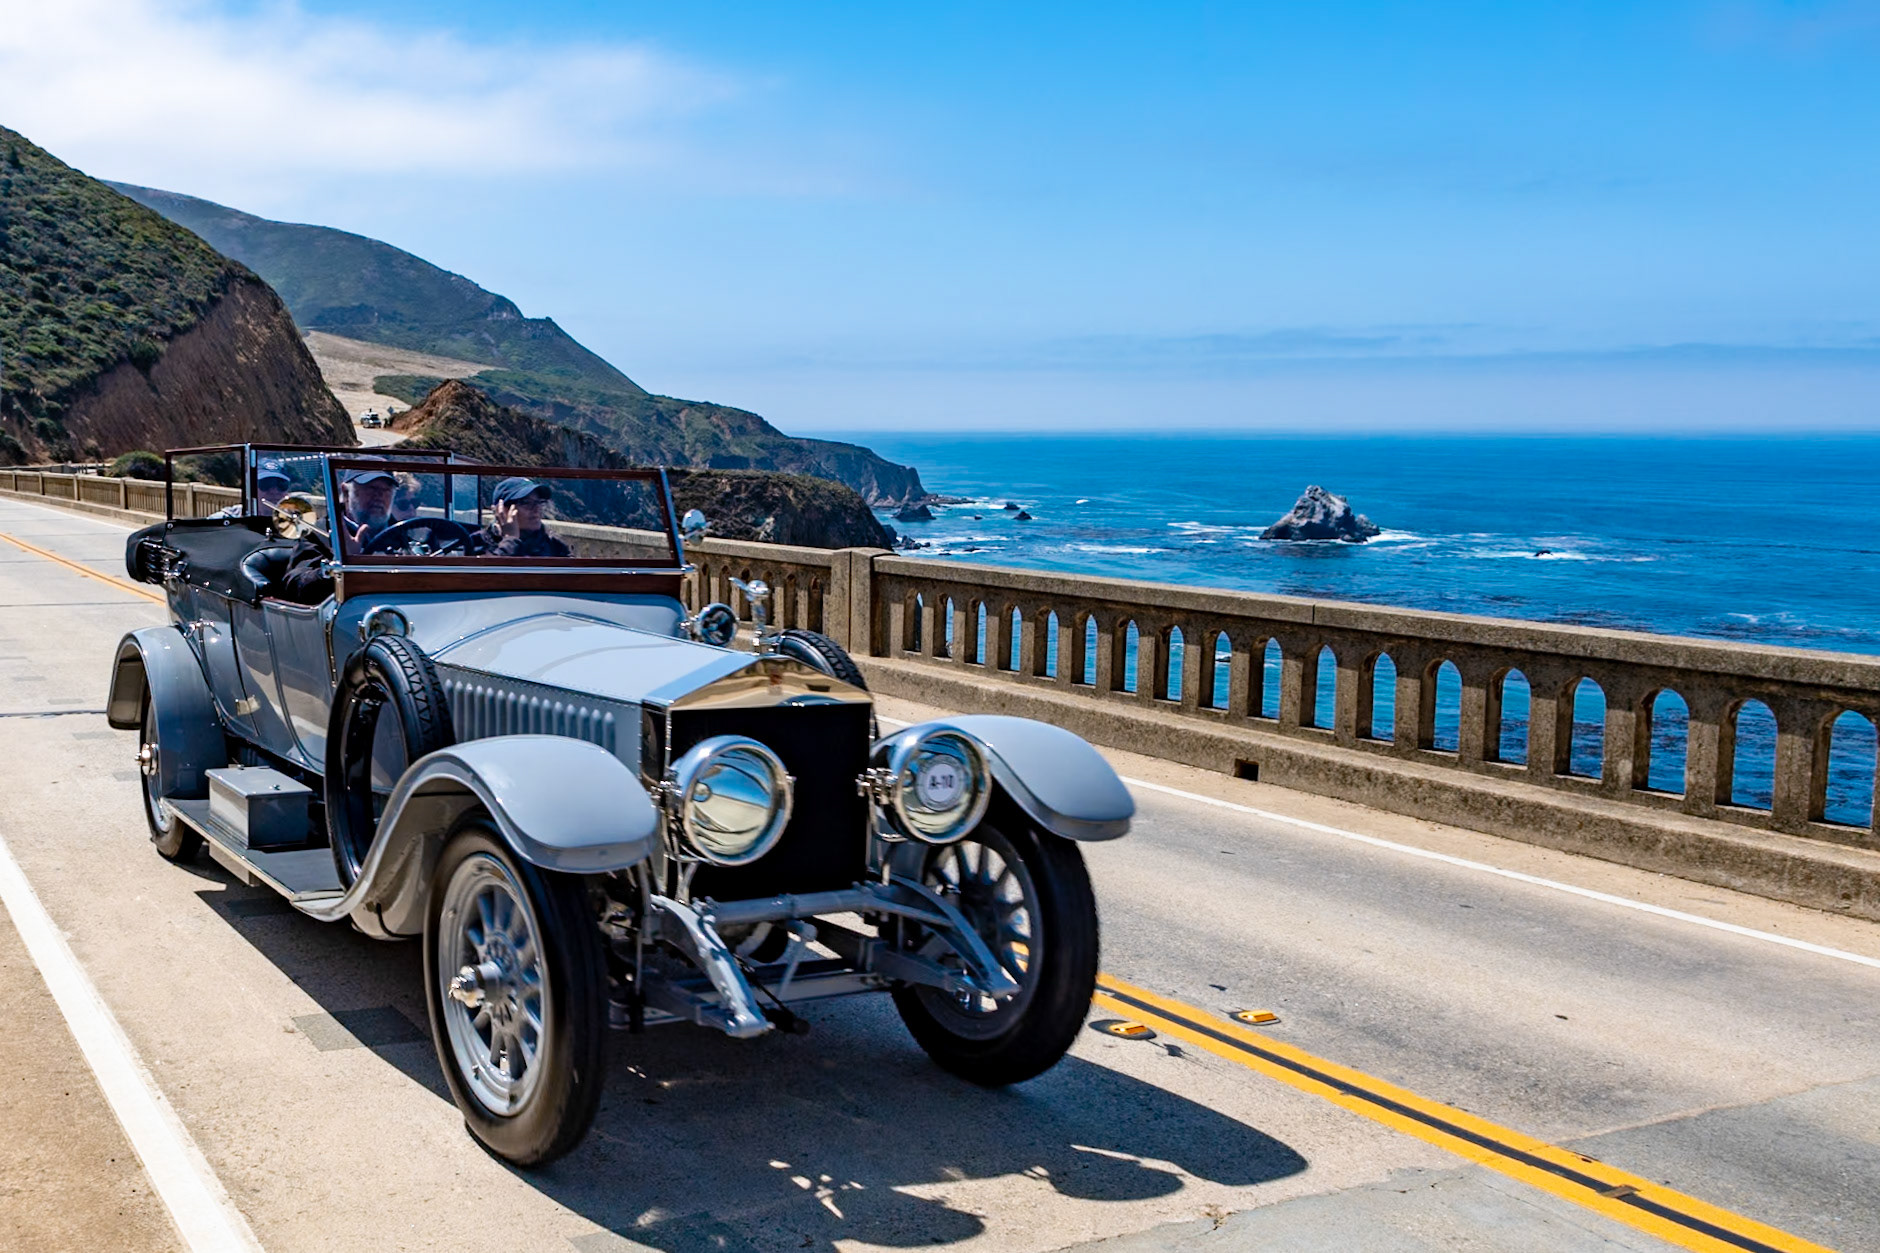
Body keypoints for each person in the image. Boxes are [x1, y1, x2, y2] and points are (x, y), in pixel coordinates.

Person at [482, 477, 571, 558]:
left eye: (539, 502)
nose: (536, 509)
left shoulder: (555, 546)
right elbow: (486, 573)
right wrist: (510, 540)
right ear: (501, 510)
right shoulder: (479, 542)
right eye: (526, 503)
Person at [340, 468, 398, 553]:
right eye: (371, 488)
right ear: (346, 492)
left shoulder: (401, 536)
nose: (379, 496)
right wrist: (348, 559)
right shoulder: (323, 534)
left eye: (386, 490)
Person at [210, 459, 292, 519]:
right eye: (266, 484)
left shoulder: (297, 522)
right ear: (251, 489)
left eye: (281, 485)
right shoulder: (230, 518)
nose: (274, 491)